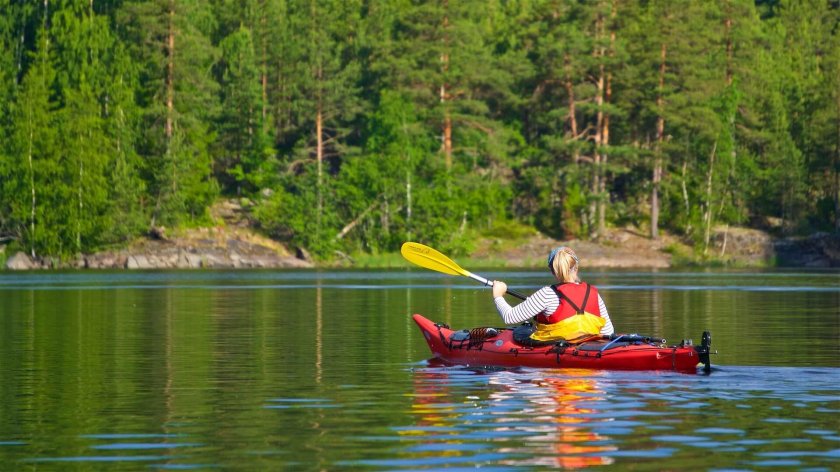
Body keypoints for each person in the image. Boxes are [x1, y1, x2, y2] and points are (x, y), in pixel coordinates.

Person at [491, 246, 614, 343]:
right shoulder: (593, 293)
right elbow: (608, 331)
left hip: (559, 349)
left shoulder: (547, 293)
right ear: (576, 267)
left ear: (553, 271)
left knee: (521, 331)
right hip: (590, 348)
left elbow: (510, 317)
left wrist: (498, 295)